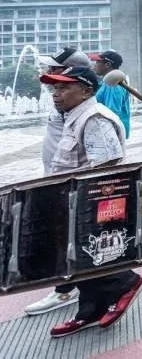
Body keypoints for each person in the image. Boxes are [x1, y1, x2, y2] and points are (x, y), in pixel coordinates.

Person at [40, 66, 142, 338]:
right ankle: (88, 312)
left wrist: (91, 212)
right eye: (54, 88)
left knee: (87, 254)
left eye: (64, 88)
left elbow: (106, 168)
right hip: (71, 202)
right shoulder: (74, 117)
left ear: (86, 90)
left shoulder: (94, 118)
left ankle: (125, 281)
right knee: (75, 260)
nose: (56, 94)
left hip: (88, 204)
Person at [22, 47, 92, 317]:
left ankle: (67, 290)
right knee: (63, 235)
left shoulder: (83, 105)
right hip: (55, 178)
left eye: (54, 69)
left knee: (69, 236)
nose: (48, 74)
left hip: (72, 185)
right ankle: (72, 287)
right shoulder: (62, 101)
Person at [89, 50, 132, 138]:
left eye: (98, 62)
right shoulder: (107, 81)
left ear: (107, 65)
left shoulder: (113, 84)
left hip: (111, 132)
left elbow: (112, 112)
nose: (94, 65)